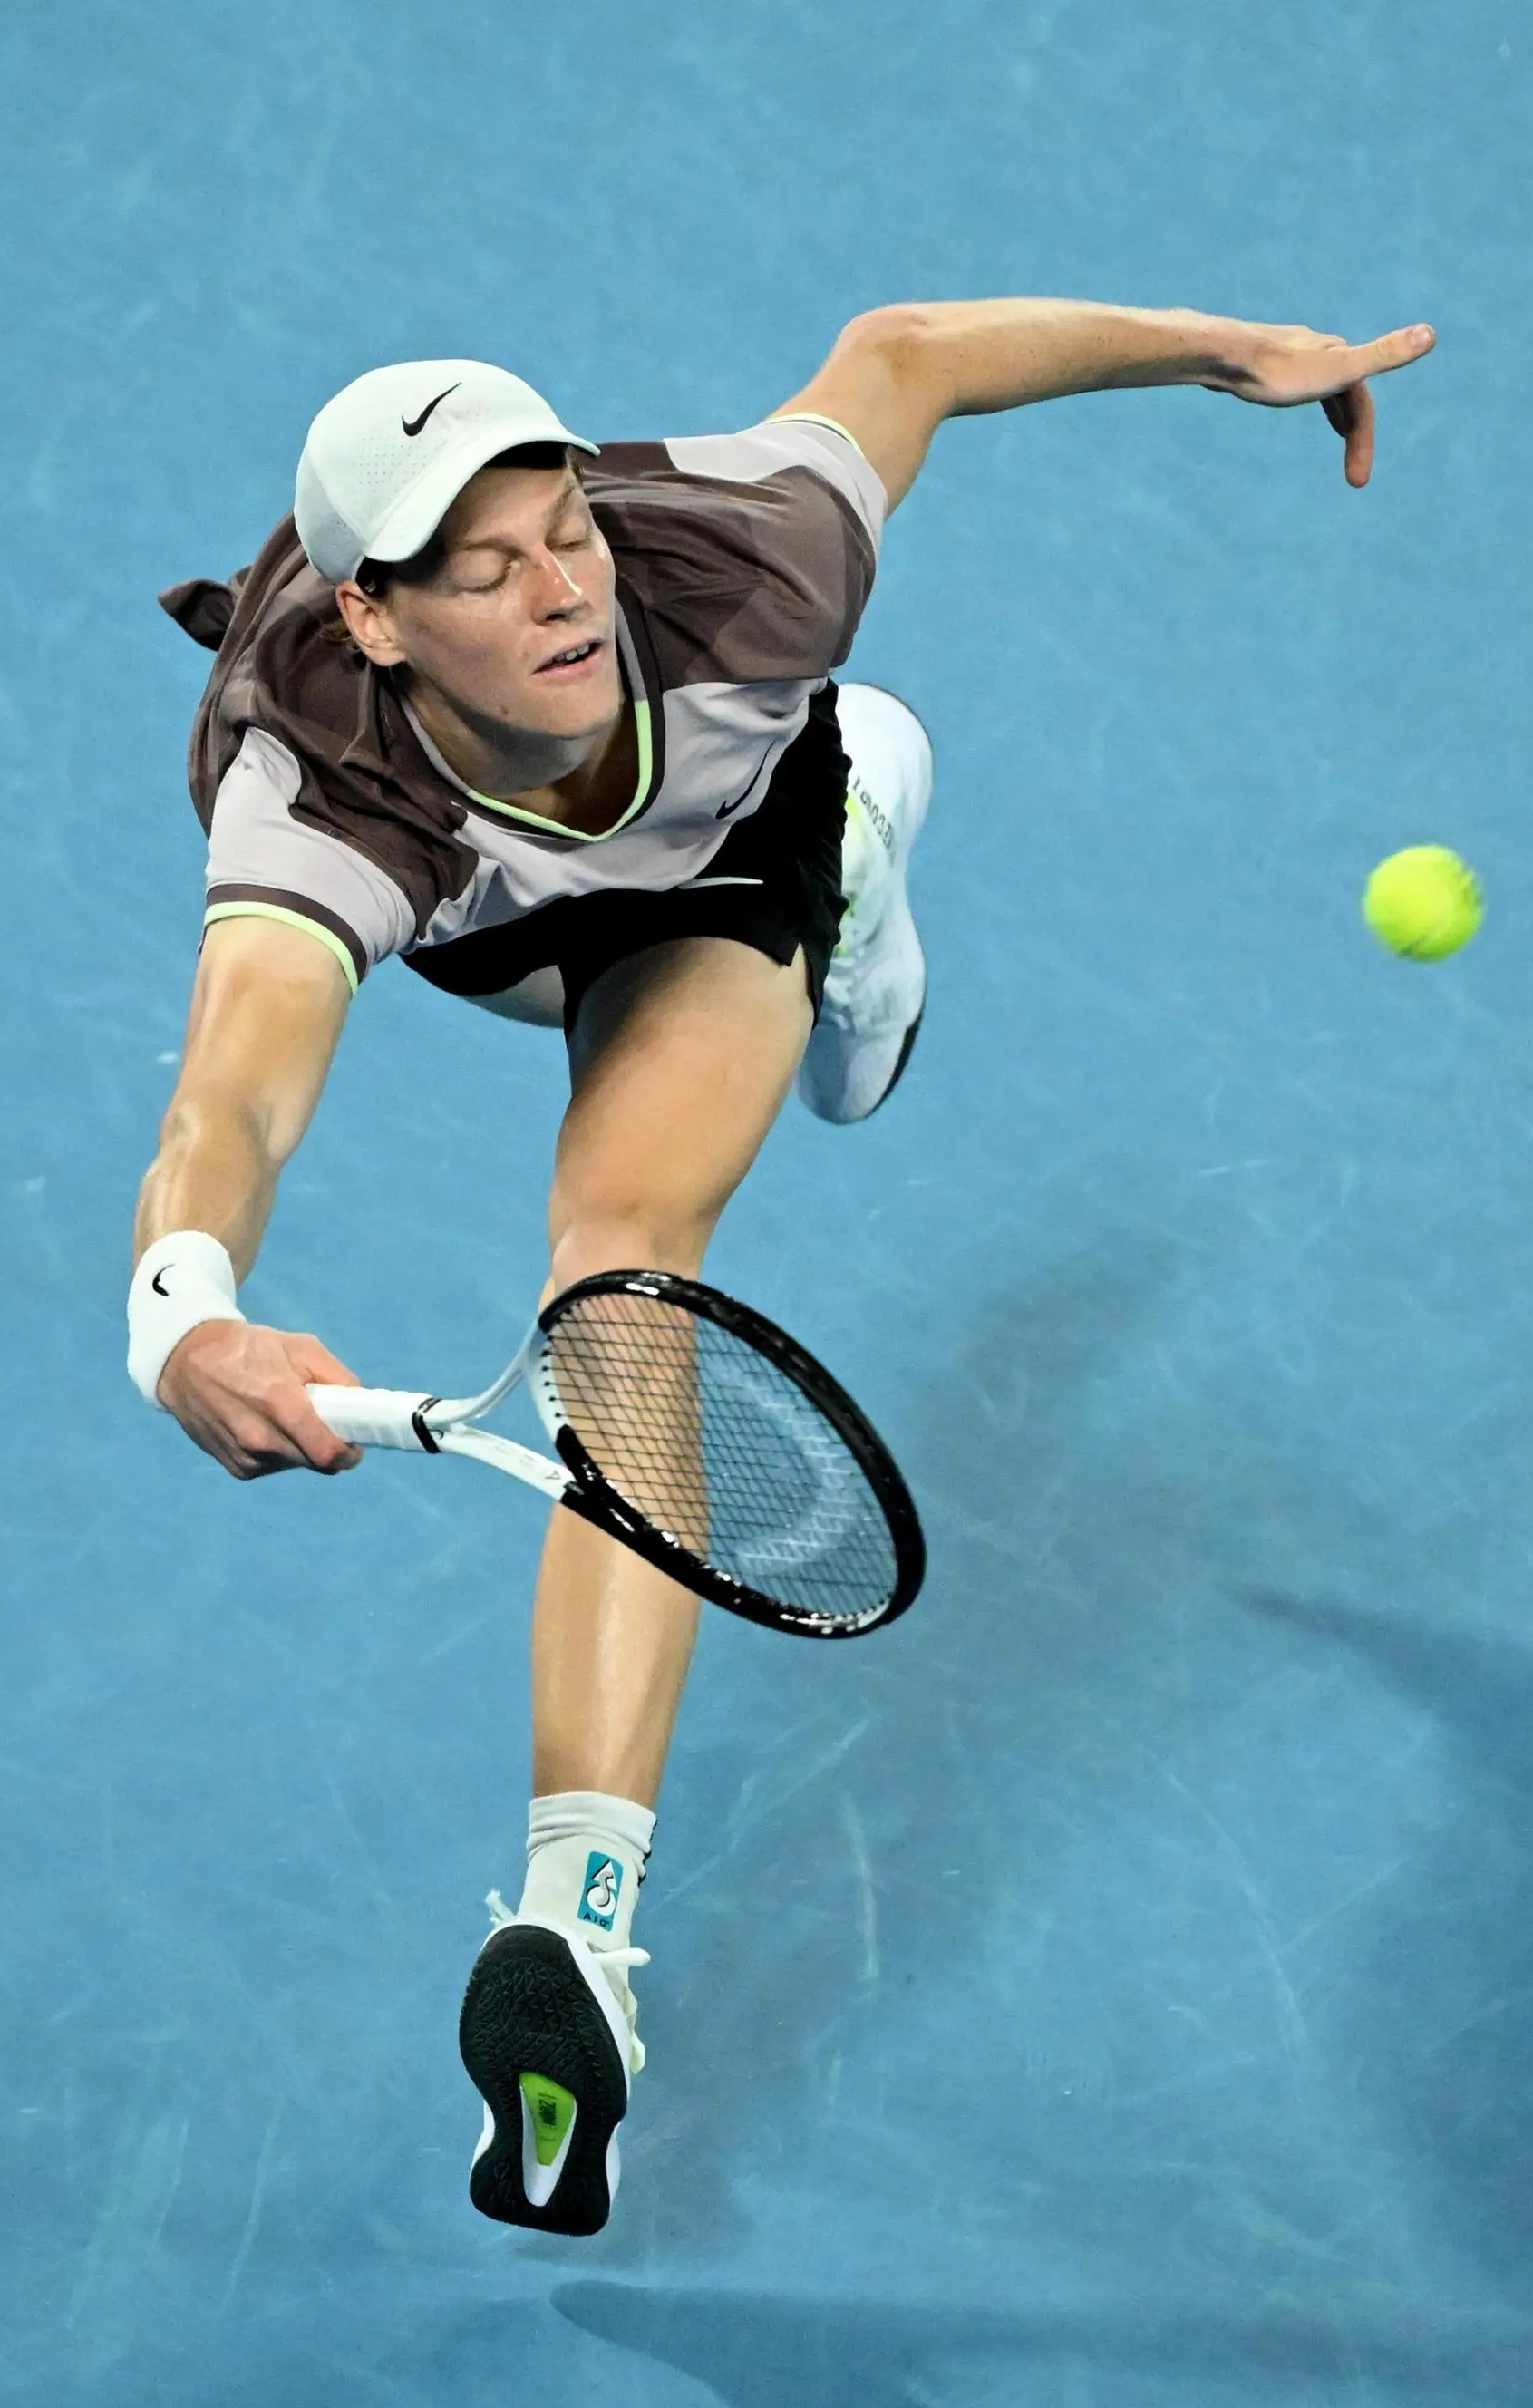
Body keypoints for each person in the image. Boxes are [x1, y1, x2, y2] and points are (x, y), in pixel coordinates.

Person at [131, 296, 1434, 2235]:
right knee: (583, 1103)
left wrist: (1224, 353)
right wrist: (185, 1316)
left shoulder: (742, 554)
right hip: (490, 918)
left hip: (723, 849)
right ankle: (858, 880)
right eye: (477, 572)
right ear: (378, 620)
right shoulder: (315, 787)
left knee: (620, 1282)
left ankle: (578, 1921)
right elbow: (234, 1094)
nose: (557, 587)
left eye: (562, 525)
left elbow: (902, 355)